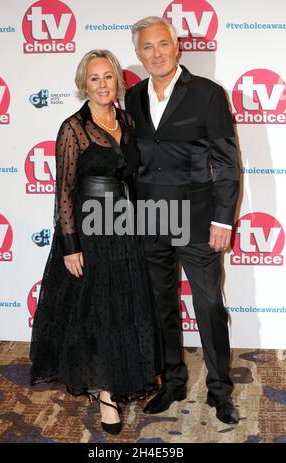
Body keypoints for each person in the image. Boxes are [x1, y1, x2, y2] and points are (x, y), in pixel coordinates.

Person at [30, 49, 163, 436]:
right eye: (94, 78)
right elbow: (64, 191)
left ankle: (120, 380)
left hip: (125, 227)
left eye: (108, 77)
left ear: (117, 82)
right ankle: (106, 396)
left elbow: (133, 177)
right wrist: (71, 244)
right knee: (100, 313)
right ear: (83, 84)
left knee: (125, 308)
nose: (102, 84)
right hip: (90, 231)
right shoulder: (73, 128)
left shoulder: (125, 120)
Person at [125, 17, 240, 425]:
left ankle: (220, 390)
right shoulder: (133, 96)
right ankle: (172, 382)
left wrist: (224, 221)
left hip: (197, 219)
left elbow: (226, 163)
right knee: (161, 305)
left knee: (208, 304)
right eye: (146, 48)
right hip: (149, 218)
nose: (155, 54)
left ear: (177, 48)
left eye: (162, 45)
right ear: (138, 54)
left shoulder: (208, 94)